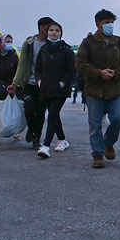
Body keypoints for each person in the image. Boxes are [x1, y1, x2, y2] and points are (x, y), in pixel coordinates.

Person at [76, 9, 120, 169]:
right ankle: (98, 154)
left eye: (112, 22)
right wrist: (98, 73)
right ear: (98, 24)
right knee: (95, 124)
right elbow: (80, 64)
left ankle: (108, 143)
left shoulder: (118, 42)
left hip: (114, 89)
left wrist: (115, 73)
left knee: (119, 118)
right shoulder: (88, 43)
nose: (110, 26)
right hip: (94, 90)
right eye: (106, 22)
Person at [7, 16, 64, 149]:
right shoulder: (30, 43)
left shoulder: (53, 44)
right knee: (29, 107)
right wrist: (15, 83)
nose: (50, 31)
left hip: (45, 85)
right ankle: (31, 129)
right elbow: (23, 64)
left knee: (41, 111)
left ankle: (37, 138)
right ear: (40, 27)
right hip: (30, 82)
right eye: (47, 28)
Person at [34, 22, 76, 158]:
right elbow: (38, 69)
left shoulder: (66, 50)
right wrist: (39, 81)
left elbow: (71, 70)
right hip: (45, 88)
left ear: (61, 33)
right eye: (51, 30)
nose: (54, 32)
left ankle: (46, 145)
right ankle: (62, 139)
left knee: (52, 114)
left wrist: (63, 83)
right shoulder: (43, 50)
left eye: (57, 30)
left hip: (60, 90)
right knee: (54, 115)